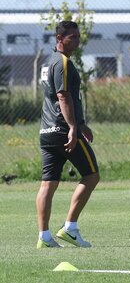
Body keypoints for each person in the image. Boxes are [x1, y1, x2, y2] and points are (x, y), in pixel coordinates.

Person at [36, 20, 100, 248]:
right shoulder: (62, 62)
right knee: (92, 176)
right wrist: (73, 127)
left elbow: (56, 97)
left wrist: (80, 123)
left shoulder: (48, 62)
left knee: (48, 184)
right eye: (72, 36)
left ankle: (44, 237)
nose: (77, 40)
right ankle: (70, 227)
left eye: (78, 36)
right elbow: (63, 96)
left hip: (47, 130)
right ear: (59, 39)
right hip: (63, 131)